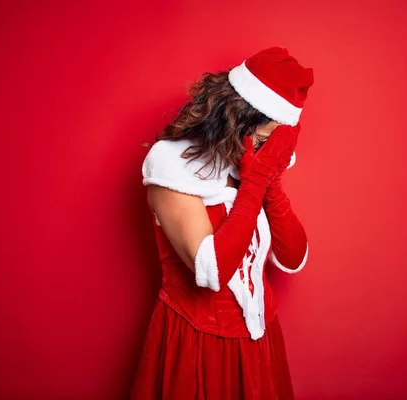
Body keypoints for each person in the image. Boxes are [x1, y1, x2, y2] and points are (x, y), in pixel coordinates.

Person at [131, 47, 314, 400]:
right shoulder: (172, 164)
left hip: (259, 339)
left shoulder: (249, 163)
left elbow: (292, 259)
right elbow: (212, 273)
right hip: (197, 342)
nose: (264, 152)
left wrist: (271, 183)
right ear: (237, 119)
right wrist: (257, 181)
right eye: (262, 141)